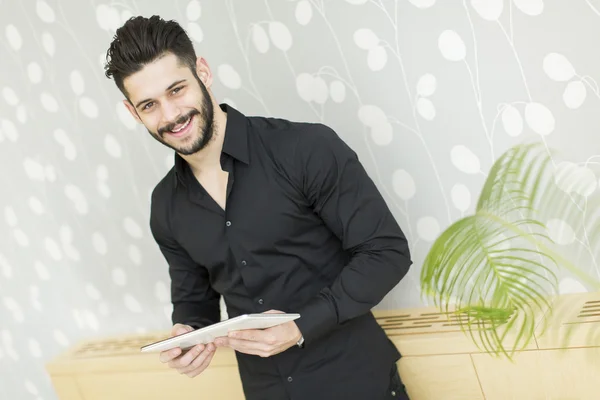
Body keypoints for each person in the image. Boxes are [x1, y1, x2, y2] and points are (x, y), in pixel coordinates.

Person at [104, 15, 412, 400]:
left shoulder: (305, 149)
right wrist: (187, 333)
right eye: (149, 104)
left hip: (358, 384)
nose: (170, 115)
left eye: (177, 90)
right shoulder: (164, 206)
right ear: (133, 112)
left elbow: (387, 252)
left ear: (203, 72)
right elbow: (194, 301)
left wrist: (301, 326)